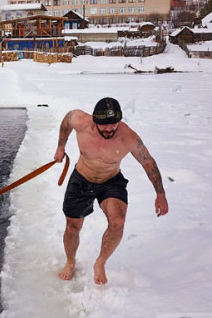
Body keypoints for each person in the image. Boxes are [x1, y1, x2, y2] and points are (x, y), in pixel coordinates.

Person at [54, 97, 169, 285]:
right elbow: (66, 120)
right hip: (82, 179)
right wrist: (61, 147)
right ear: (95, 121)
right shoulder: (81, 121)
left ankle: (100, 262)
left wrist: (160, 194)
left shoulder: (128, 137)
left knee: (118, 221)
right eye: (104, 126)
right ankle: (70, 261)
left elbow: (148, 162)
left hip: (111, 181)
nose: (109, 129)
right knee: (72, 227)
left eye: (114, 125)